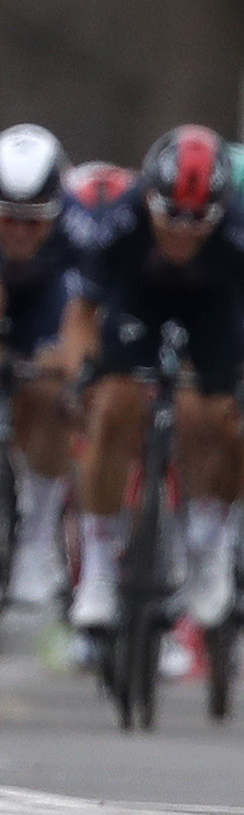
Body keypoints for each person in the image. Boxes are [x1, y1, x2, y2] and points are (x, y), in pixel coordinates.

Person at [57, 125, 244, 633]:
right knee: (112, 405)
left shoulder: (239, 240)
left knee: (223, 419)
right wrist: (83, 375)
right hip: (137, 305)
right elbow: (80, 317)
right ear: (149, 199)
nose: (183, 232)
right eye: (171, 217)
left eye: (198, 220)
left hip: (212, 314)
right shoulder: (120, 221)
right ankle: (98, 564)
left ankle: (210, 544)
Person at [0, 125, 85, 605]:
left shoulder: (80, 226)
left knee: (54, 392)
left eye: (35, 222)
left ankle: (36, 532)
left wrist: (65, 363)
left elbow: (85, 317)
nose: (20, 232)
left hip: (49, 308)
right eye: (8, 218)